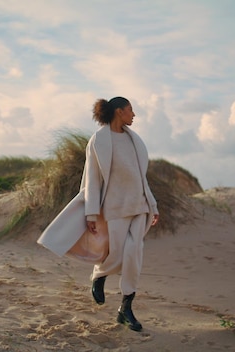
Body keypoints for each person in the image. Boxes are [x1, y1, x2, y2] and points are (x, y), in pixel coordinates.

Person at [83, 96, 159, 332]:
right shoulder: (99, 140)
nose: (133, 114)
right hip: (114, 206)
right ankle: (99, 275)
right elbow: (92, 178)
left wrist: (152, 205)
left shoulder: (134, 139)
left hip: (139, 206)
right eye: (130, 110)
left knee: (134, 255)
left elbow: (141, 177)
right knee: (116, 253)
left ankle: (125, 308)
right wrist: (91, 213)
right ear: (118, 112)